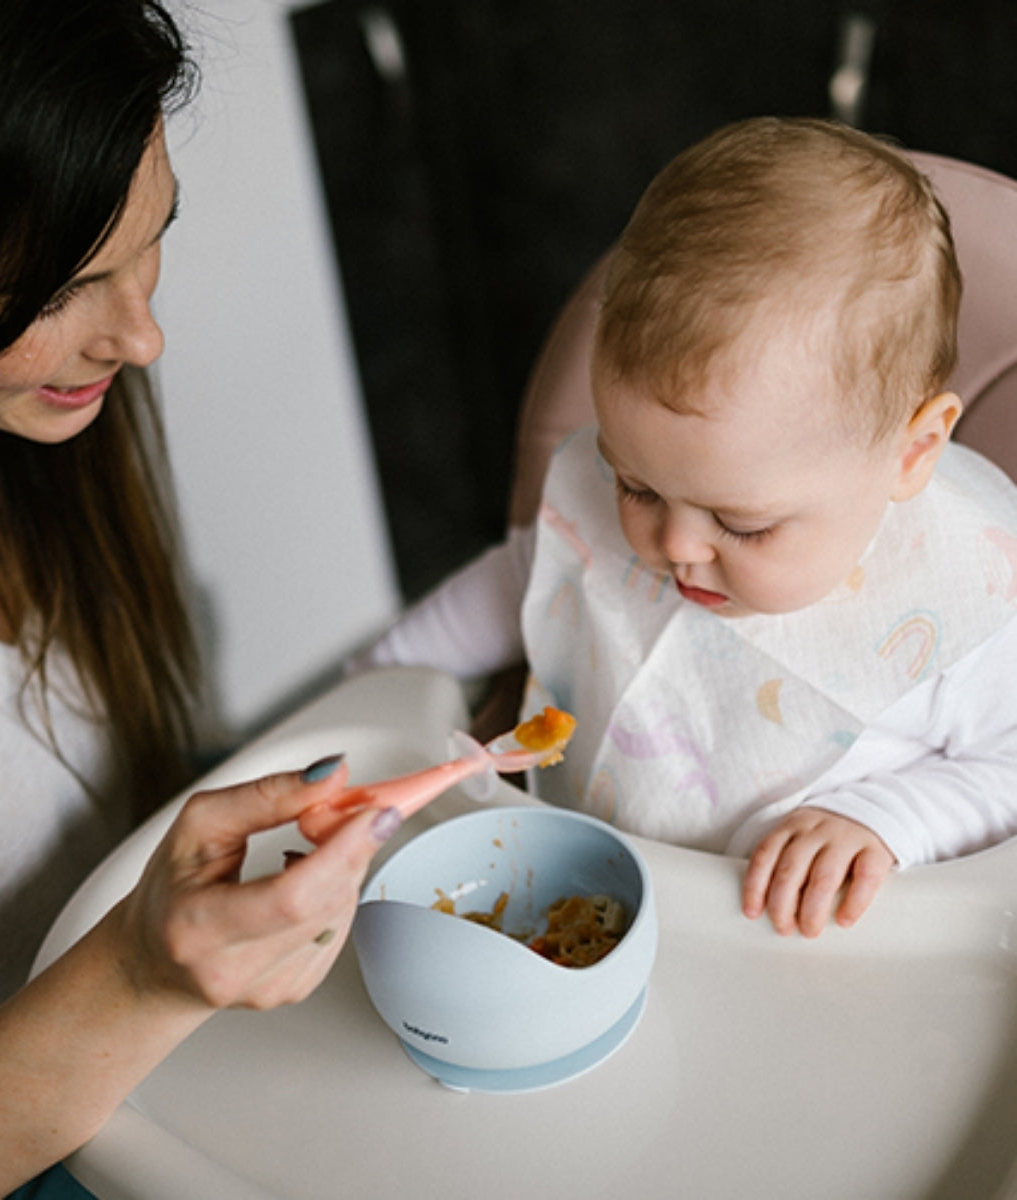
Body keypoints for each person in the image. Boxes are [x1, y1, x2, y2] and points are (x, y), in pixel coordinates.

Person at [0, 1, 400, 1195]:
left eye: (152, 238)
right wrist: (136, 981)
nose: (142, 338)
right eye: (62, 290)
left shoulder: (13, 428)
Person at [357, 117, 1017, 939]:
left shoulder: (970, 597)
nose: (673, 546)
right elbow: (531, 573)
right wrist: (378, 683)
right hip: (587, 899)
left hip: (797, 945)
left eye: (743, 525)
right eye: (636, 486)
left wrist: (890, 819)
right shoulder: (638, 497)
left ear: (912, 453)